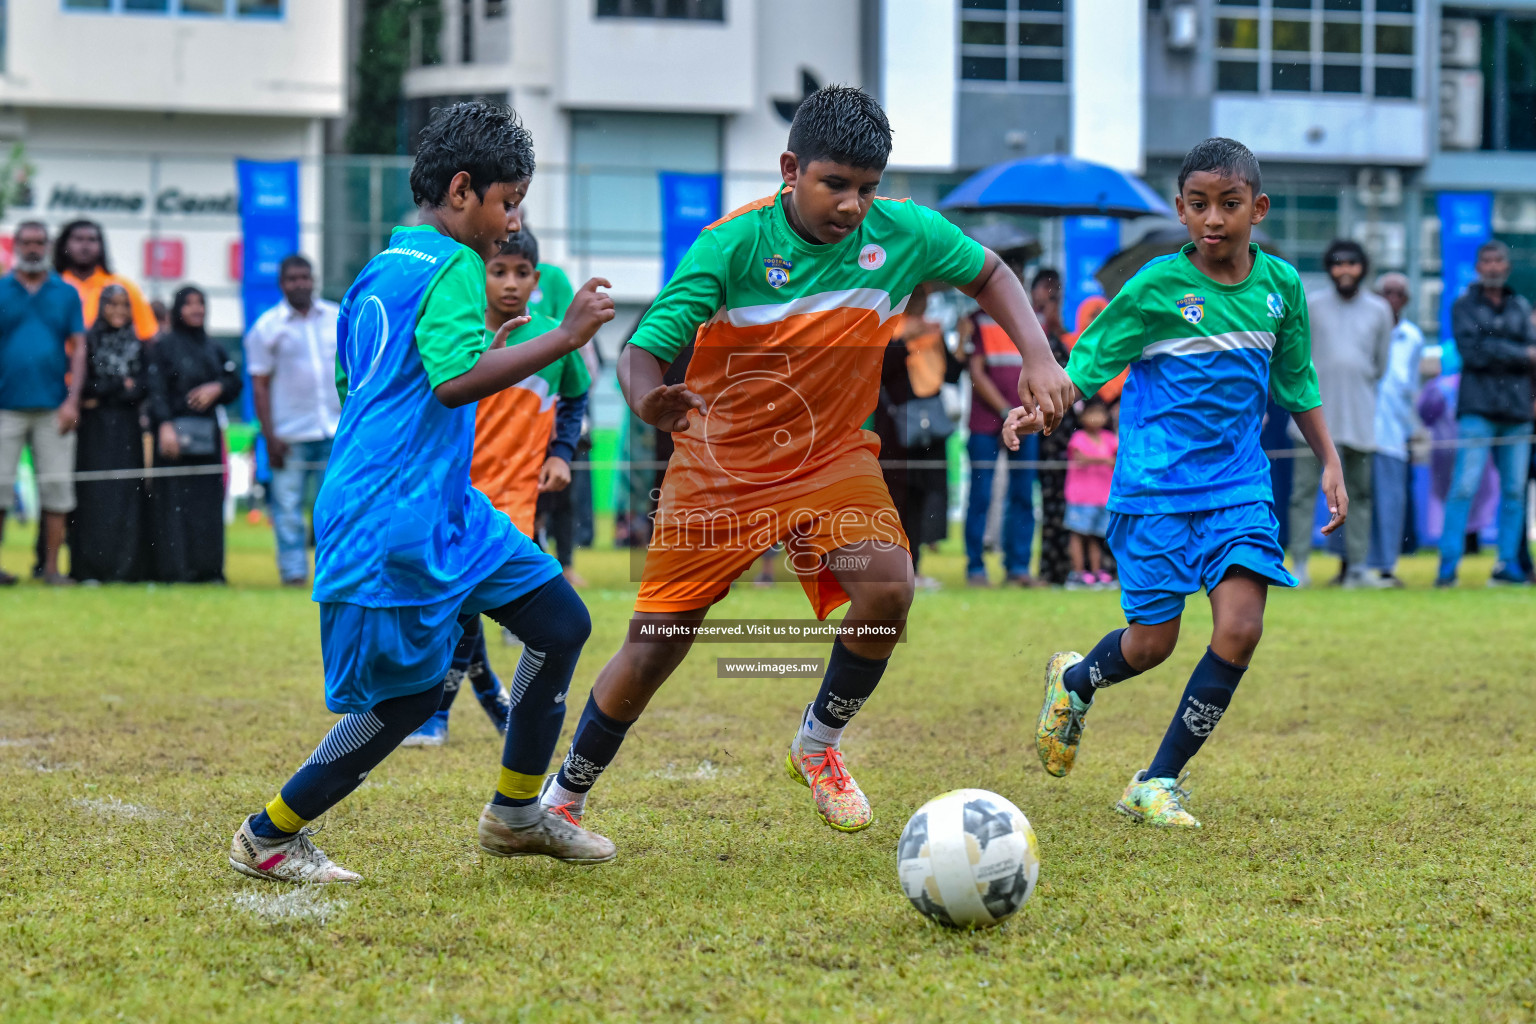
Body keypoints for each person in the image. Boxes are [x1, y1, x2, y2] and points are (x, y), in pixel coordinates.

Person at [536, 85, 1074, 839]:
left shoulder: (903, 233)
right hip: (721, 468)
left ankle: (818, 746)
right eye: (835, 185)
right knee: (658, 643)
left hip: (830, 459)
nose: (853, 205)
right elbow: (644, 350)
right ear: (791, 168)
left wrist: (1039, 357)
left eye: (867, 188)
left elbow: (989, 273)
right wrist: (649, 397)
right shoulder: (732, 245)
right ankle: (565, 793)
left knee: (890, 588)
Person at [226, 101, 617, 885]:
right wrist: (565, 338)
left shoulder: (383, 265)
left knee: (559, 621)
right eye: (509, 204)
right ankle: (268, 834)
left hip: (443, 505)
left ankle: (515, 814)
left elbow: (366, 381)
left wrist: (490, 349)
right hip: (390, 516)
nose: (512, 225)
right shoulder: (455, 265)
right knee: (404, 702)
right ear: (464, 190)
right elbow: (451, 384)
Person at [1015, 137, 1347, 828]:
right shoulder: (1156, 287)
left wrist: (1332, 462)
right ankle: (1077, 682)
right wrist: (1041, 404)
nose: (1214, 220)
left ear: (1257, 208)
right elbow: (1088, 362)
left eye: (1229, 205)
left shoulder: (1281, 288)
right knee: (1151, 644)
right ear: (1181, 209)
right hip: (1155, 492)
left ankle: (1157, 779)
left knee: (1241, 628)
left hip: (1239, 489)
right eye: (1199, 206)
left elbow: (1296, 382)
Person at [404, 227, 591, 747]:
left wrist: (560, 453)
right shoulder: (458, 339)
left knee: (462, 606)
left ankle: (436, 719)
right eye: (499, 270)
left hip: (511, 500)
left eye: (522, 273)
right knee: (461, 610)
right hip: (452, 495)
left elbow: (576, 396)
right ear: (479, 274)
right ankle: (497, 708)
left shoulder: (554, 338)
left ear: (537, 279)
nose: (510, 283)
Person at [1285, 239, 1391, 588]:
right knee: (1303, 494)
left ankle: (1357, 568)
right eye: (1337, 264)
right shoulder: (1311, 305)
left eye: (1352, 264)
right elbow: (1296, 359)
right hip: (1311, 420)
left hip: (1359, 418)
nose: (1344, 270)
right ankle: (1299, 566)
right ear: (1329, 268)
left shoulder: (1379, 310)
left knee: (1359, 494)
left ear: (1363, 268)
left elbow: (1379, 366)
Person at [1436, 240, 1536, 587]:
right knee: (1464, 487)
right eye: (1487, 261)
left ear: (1506, 266)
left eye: (1498, 261)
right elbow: (1472, 352)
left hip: (1518, 411)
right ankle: (1448, 567)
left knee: (1514, 492)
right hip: (1477, 409)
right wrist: (1521, 353)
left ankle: (1506, 566)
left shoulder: (1520, 305)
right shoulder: (1463, 305)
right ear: (1478, 267)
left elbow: (1518, 351)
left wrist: (1502, 349)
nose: (1493, 266)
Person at [243, 254, 341, 587]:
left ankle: (334, 572)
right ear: (281, 284)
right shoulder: (266, 328)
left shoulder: (336, 316)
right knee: (286, 508)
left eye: (305, 277)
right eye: (292, 279)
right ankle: (294, 573)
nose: (300, 284)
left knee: (334, 505)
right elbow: (259, 387)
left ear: (313, 279)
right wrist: (269, 437)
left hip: (335, 428)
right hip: (289, 434)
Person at [0, 222, 86, 586]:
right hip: (5, 407)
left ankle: (51, 569)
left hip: (54, 407)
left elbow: (79, 347)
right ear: (16, 245)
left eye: (39, 242)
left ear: (48, 246)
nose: (33, 248)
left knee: (56, 489)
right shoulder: (1, 289)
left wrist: (72, 401)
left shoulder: (65, 293)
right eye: (27, 242)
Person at [145, 286, 242, 583]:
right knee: (172, 503)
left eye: (200, 303)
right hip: (173, 434)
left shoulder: (214, 348)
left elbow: (234, 382)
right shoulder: (164, 346)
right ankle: (174, 570)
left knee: (207, 505)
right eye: (188, 304)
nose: (196, 309)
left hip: (207, 438)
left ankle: (208, 569)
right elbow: (156, 390)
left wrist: (217, 388)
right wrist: (163, 426)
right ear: (177, 309)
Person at [876, 284, 961, 590]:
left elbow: (950, 374)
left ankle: (916, 566)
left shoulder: (933, 331)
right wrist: (903, 339)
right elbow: (880, 371)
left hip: (930, 429)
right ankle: (894, 568)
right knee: (897, 498)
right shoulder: (887, 329)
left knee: (924, 496)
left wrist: (961, 340)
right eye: (915, 297)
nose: (921, 303)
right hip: (897, 429)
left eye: (924, 297)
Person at [963, 249, 1039, 588]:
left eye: (1018, 274)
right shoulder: (976, 320)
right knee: (980, 494)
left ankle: (1018, 567)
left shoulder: (1031, 323)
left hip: (1027, 420)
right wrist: (1003, 412)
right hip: (986, 422)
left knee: (1023, 494)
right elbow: (976, 372)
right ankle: (976, 567)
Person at [69, 285, 150, 583]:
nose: (118, 311)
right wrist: (118, 387)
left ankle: (124, 569)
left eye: (124, 305)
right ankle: (90, 569)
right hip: (95, 431)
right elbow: (85, 388)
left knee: (126, 496)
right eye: (111, 304)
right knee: (94, 496)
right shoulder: (89, 341)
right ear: (101, 306)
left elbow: (142, 387)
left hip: (127, 431)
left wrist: (106, 391)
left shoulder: (137, 344)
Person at [1366, 273, 1426, 586]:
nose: (1392, 298)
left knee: (1390, 501)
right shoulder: (1362, 329)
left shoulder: (1413, 338)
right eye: (1386, 291)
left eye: (1399, 293)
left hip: (1393, 432)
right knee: (1355, 498)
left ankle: (1386, 566)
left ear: (1407, 299)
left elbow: (1412, 388)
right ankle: (1350, 565)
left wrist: (1412, 430)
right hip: (1359, 429)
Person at [1032, 268, 1078, 586]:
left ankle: (1072, 566)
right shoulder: (1028, 331)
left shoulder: (1064, 334)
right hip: (1043, 426)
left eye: (1055, 293)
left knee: (1070, 496)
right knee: (1049, 499)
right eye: (1044, 291)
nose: (1050, 298)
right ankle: (1050, 567)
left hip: (1067, 427)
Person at [54, 219, 159, 341]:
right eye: (78, 239)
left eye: (92, 240)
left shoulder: (123, 287)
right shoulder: (50, 286)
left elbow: (148, 335)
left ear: (101, 246)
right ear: (64, 245)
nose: (85, 246)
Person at [1064, 396, 1117, 590]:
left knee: (1096, 537)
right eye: (1091, 413)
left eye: (1100, 413)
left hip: (1102, 498)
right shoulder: (1078, 438)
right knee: (1078, 535)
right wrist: (1105, 460)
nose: (1096, 418)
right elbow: (1080, 458)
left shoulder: (1110, 438)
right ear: (1082, 416)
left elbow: (1119, 457)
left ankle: (1095, 572)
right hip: (1080, 498)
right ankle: (1077, 573)